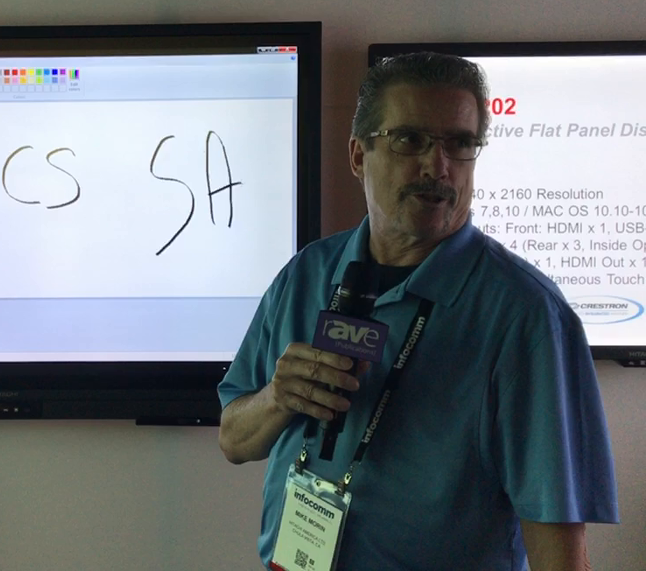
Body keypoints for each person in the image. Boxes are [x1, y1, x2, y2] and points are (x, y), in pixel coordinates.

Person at [217, 52, 619, 570]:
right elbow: (233, 439)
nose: (438, 166)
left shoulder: (527, 315)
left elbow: (559, 551)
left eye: (460, 143)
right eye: (410, 140)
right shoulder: (306, 274)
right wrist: (277, 397)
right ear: (358, 155)